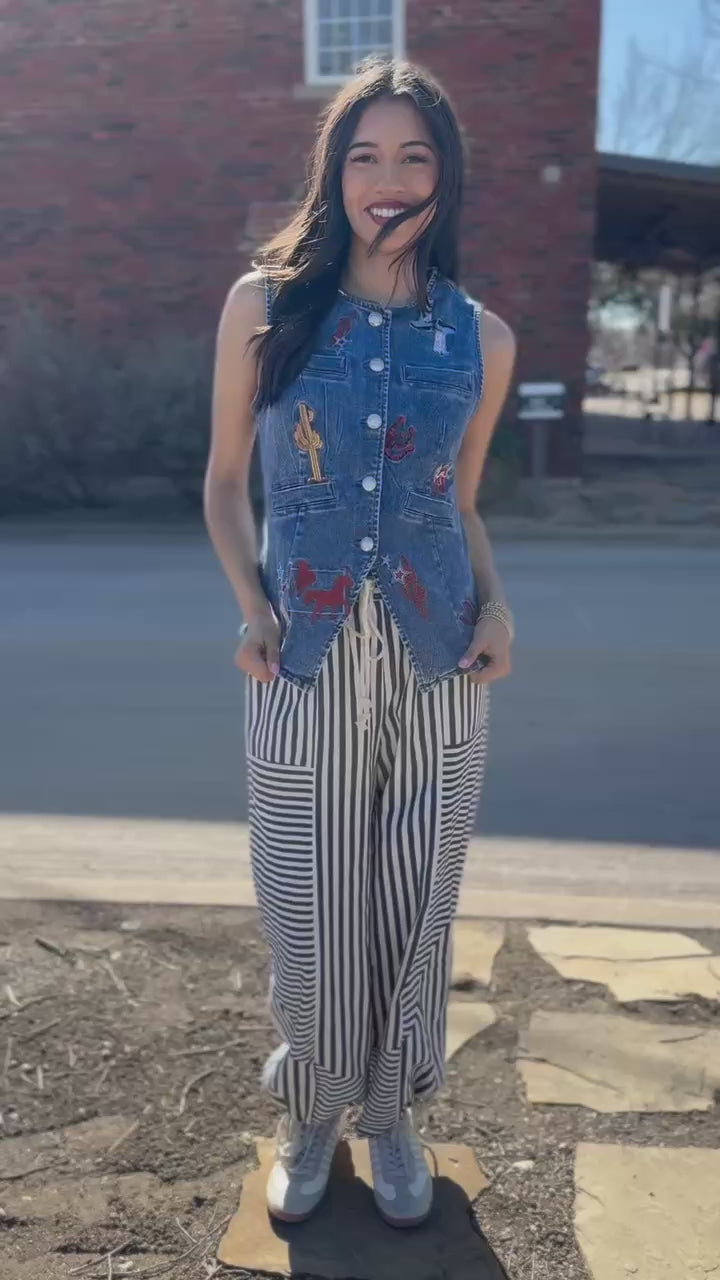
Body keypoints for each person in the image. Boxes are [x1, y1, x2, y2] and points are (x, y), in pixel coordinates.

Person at [204, 56, 516, 1230]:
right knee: (309, 899)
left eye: (415, 155)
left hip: (441, 659)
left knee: (413, 901)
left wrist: (499, 606)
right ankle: (311, 1109)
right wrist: (251, 598)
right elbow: (228, 484)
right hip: (301, 653)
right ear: (334, 174)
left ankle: (391, 1115)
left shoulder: (481, 337)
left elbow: (464, 502)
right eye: (365, 155)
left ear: (448, 174)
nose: (389, 180)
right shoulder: (264, 306)